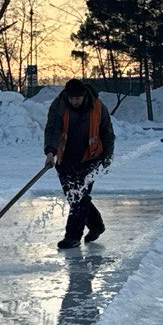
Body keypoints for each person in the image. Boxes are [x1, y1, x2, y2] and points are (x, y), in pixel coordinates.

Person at [43, 79, 115, 250]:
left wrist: (107, 157)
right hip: (65, 159)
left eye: (78, 98)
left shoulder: (98, 106)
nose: (74, 101)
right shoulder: (59, 105)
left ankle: (72, 237)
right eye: (72, 98)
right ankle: (97, 225)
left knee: (79, 197)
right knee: (74, 196)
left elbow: (107, 131)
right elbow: (52, 129)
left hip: (91, 158)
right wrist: (50, 152)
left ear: (84, 96)